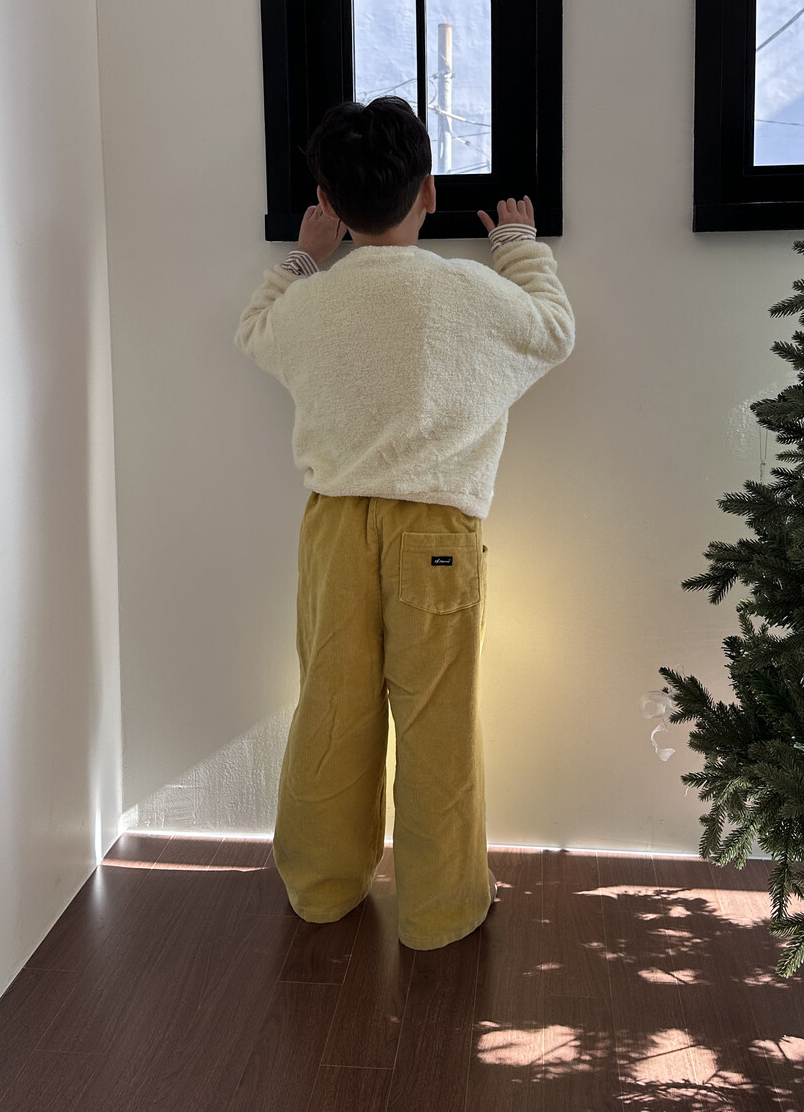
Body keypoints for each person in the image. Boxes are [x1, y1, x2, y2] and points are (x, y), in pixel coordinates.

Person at [235, 96, 574, 951]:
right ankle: (439, 909)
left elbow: (254, 331)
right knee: (438, 722)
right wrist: (517, 244)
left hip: (335, 530)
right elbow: (552, 331)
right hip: (438, 533)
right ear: (429, 190)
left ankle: (321, 888)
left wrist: (303, 259)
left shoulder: (313, 304)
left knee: (331, 708)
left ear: (328, 202)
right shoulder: (466, 292)